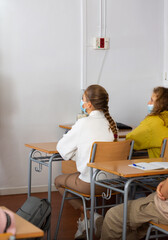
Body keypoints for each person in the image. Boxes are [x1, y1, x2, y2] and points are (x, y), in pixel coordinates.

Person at [54, 84, 118, 239]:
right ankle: (85, 222)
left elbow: (62, 148)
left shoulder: (83, 123)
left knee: (58, 181)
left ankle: (89, 214)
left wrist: (78, 154)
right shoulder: (111, 124)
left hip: (91, 183)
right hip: (113, 183)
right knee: (82, 173)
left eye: (82, 100)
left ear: (89, 104)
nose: (81, 103)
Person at [99, 178, 168, 240]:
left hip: (161, 208)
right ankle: (99, 224)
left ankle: (98, 223)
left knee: (114, 215)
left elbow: (163, 193)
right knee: (137, 228)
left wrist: (165, 182)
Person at [126, 87, 168, 158]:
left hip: (159, 167)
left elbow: (130, 141)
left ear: (160, 104)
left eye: (152, 100)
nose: (148, 103)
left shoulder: (152, 121)